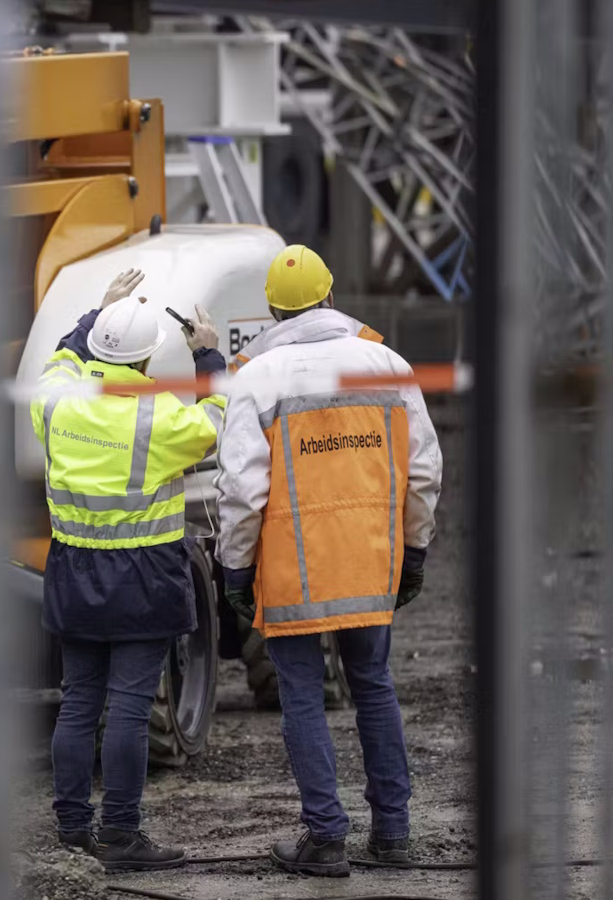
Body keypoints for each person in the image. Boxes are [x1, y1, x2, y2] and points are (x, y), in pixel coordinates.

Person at [214, 244, 442, 877]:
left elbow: (239, 491)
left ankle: (327, 838)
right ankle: (392, 834)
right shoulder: (387, 364)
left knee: (303, 699)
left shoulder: (257, 378)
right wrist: (414, 551)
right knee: (373, 688)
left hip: (294, 575)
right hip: (370, 567)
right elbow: (423, 470)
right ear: (332, 296)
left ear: (271, 312)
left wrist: (235, 570)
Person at [32, 267, 228, 873]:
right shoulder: (161, 419)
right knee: (129, 708)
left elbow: (60, 361)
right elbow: (218, 425)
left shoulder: (57, 401)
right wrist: (209, 354)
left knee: (78, 702)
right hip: (143, 579)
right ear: (147, 362)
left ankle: (71, 829)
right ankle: (119, 834)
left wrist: (99, 311)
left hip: (74, 573)